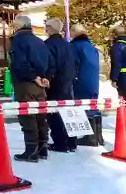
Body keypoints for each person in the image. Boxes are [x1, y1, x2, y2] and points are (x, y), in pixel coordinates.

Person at [10, 14, 50, 162]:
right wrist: (44, 77)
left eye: (14, 25)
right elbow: (50, 62)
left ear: (18, 26)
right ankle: (43, 148)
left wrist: (33, 76)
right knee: (41, 116)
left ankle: (31, 151)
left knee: (28, 116)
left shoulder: (18, 40)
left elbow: (20, 63)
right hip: (41, 84)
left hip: (26, 83)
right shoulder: (40, 41)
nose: (13, 28)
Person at [44, 19, 78, 153]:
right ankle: (72, 142)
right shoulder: (68, 44)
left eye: (46, 27)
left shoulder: (48, 44)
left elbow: (49, 64)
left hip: (55, 82)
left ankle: (60, 143)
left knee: (55, 113)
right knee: (68, 112)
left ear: (50, 28)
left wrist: (46, 78)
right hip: (68, 82)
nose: (45, 29)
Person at [70, 24, 103, 146]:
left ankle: (89, 137)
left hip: (81, 80)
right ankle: (98, 136)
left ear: (74, 33)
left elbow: (73, 64)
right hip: (93, 80)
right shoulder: (91, 47)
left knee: (84, 105)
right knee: (93, 104)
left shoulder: (74, 46)